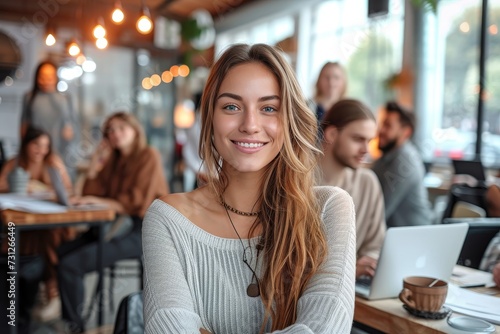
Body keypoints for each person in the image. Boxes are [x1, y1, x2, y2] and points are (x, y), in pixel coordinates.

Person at [142, 43, 356, 333]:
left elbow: (325, 329)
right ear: (210, 118)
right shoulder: (168, 219)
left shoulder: (329, 209)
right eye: (231, 106)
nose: (250, 125)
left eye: (269, 108)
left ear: (289, 119)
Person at [57, 112, 169, 333]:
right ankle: (68, 319)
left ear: (135, 130)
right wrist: (97, 157)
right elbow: (91, 190)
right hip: (112, 226)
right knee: (60, 252)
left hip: (141, 230)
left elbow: (136, 203)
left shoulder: (148, 155)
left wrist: (99, 200)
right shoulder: (115, 160)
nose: (115, 134)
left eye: (121, 128)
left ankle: (74, 327)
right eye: (110, 130)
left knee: (71, 265)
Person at [0, 127, 75, 319]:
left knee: (48, 235)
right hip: (24, 218)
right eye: (36, 144)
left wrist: (44, 189)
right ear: (26, 145)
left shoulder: (53, 162)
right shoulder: (15, 163)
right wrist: (20, 186)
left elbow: (67, 190)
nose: (41, 150)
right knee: (25, 233)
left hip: (50, 220)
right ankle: (36, 287)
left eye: (45, 146)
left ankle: (49, 289)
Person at [319, 99, 386, 279]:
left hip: (353, 290)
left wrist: (368, 262)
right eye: (358, 139)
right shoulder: (295, 181)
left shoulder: (368, 182)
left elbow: (375, 246)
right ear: (332, 134)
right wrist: (348, 271)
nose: (366, 149)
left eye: (369, 140)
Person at [371, 101, 433, 227]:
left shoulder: (405, 161)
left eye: (388, 126)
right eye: (382, 124)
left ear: (406, 132)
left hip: (414, 240)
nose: (381, 130)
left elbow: (379, 212)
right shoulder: (387, 156)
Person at [21, 60, 75, 158]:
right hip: (35, 148)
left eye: (50, 78)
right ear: (37, 78)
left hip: (59, 147)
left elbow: (70, 126)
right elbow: (24, 125)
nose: (46, 81)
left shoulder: (64, 98)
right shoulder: (30, 97)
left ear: (56, 78)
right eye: (42, 77)